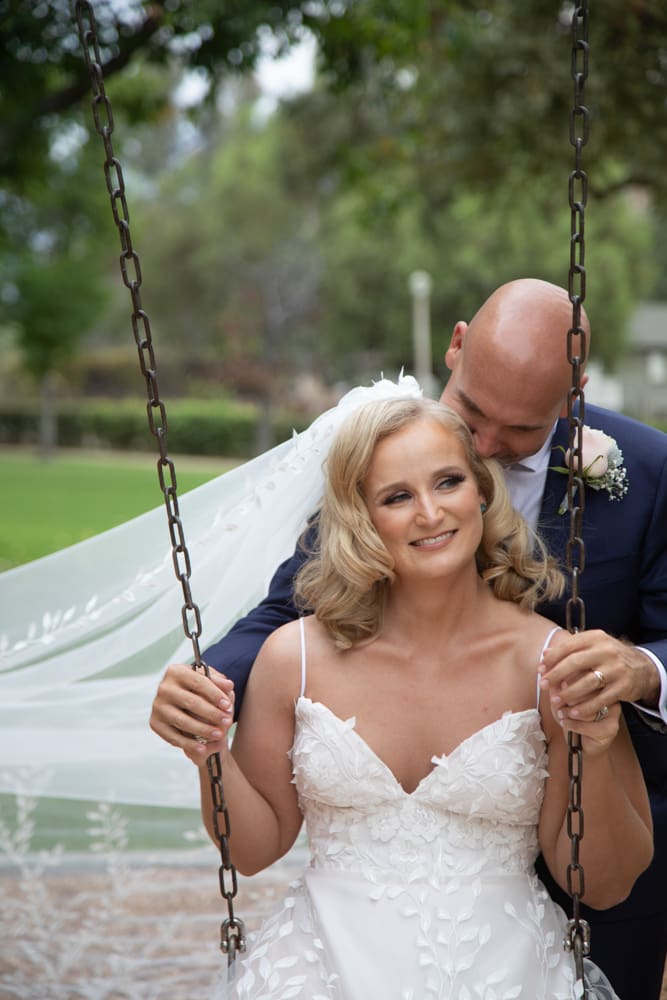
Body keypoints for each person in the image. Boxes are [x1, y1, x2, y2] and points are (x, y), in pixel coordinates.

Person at [150, 279, 667, 1000]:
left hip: (527, 938)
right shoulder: (298, 654)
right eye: (396, 495)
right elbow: (254, 837)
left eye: (454, 479)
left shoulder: (554, 648)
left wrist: (630, 682)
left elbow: (601, 877)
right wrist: (207, 707)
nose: (485, 449)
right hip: (324, 963)